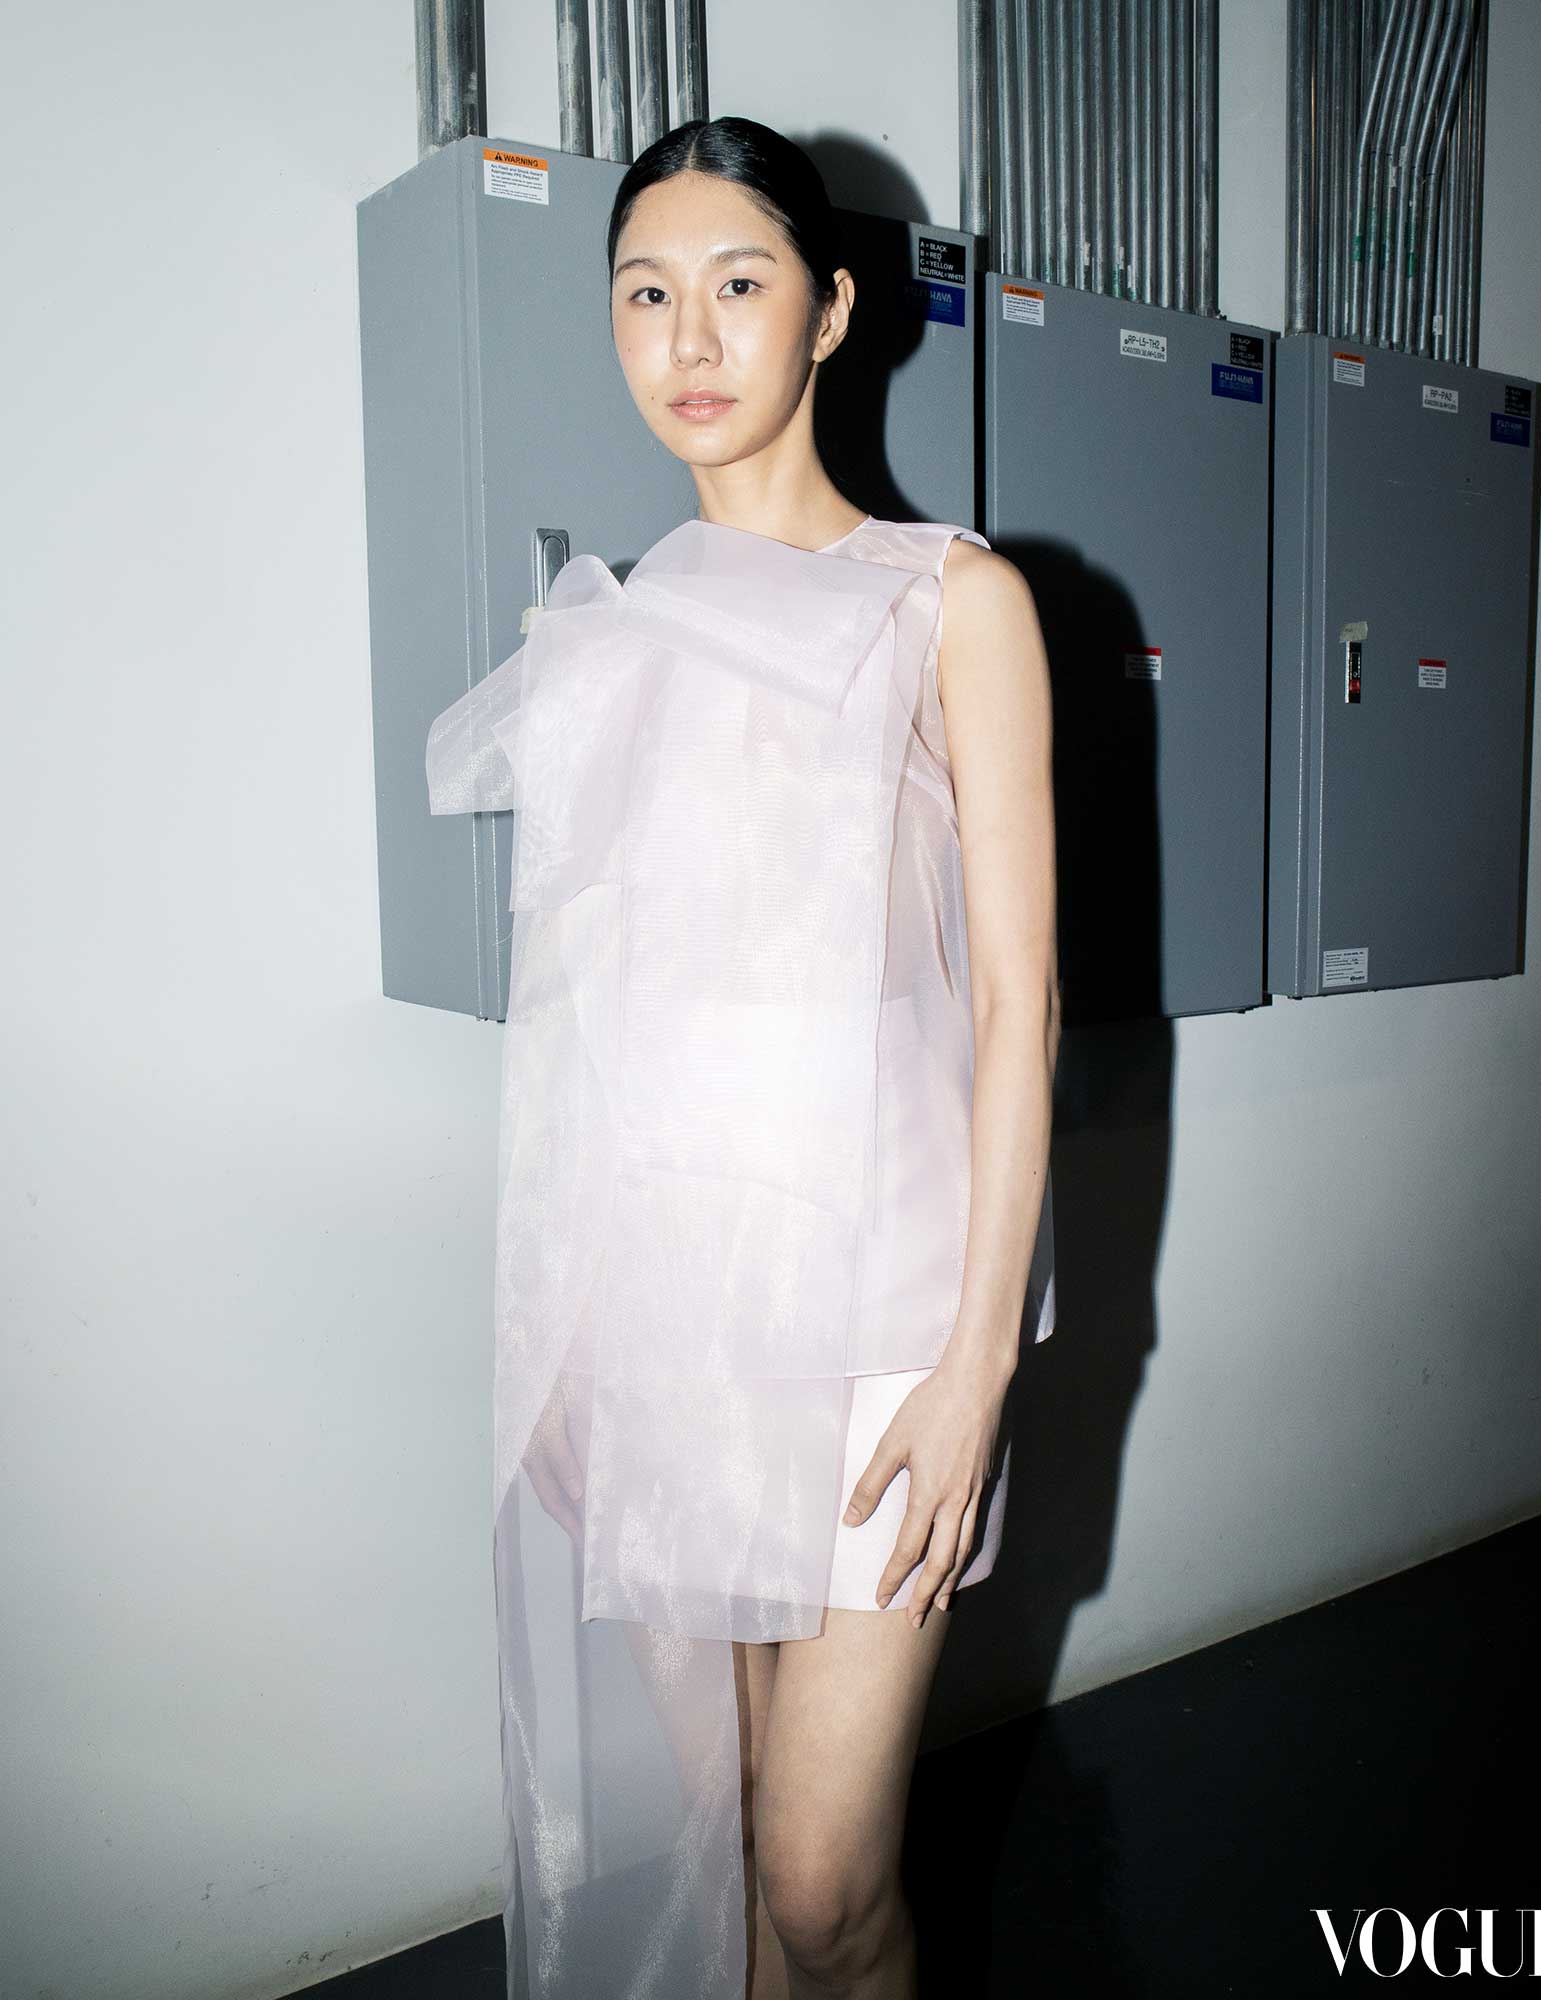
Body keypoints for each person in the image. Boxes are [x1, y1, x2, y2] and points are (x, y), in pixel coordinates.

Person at [426, 114, 1058, 2000]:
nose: (688, 338)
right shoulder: (613, 635)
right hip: (669, 1318)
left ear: (832, 312)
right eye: (645, 293)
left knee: (824, 1881)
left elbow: (1020, 1001)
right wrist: (561, 1340)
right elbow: (581, 1037)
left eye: (738, 283)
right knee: (732, 1875)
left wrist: (975, 1370)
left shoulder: (953, 602)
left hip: (882, 1330)